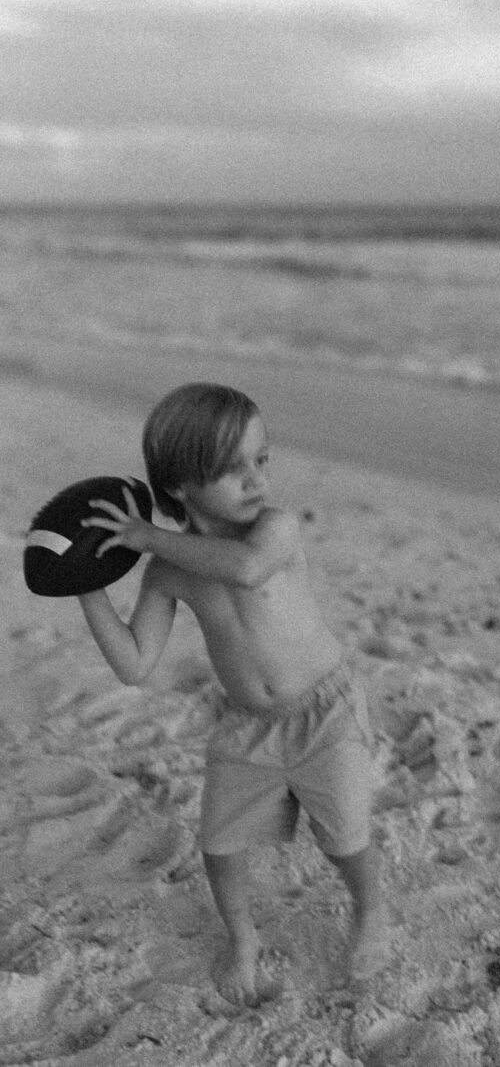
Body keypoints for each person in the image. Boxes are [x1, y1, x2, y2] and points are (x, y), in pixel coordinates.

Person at [77, 382, 386, 1005]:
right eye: (230, 469)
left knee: (345, 836)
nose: (255, 481)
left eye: (261, 460)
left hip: (326, 711)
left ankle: (372, 910)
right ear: (180, 488)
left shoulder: (274, 531)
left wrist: (147, 536)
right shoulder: (169, 569)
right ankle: (242, 938)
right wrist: (85, 585)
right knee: (219, 844)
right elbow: (136, 665)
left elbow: (245, 570)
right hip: (249, 725)